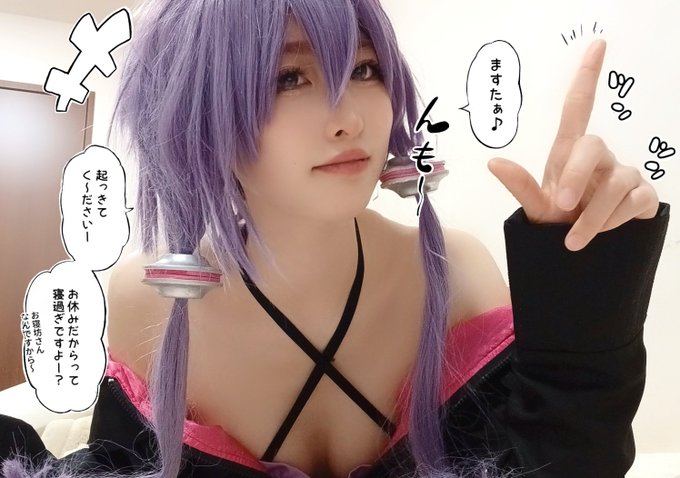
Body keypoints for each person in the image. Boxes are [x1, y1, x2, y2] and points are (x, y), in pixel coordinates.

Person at [0, 0, 670, 477]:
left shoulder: (454, 270)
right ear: (201, 118)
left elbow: (566, 457)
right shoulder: (149, 299)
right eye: (289, 77)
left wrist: (584, 283)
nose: (348, 117)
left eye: (365, 69)